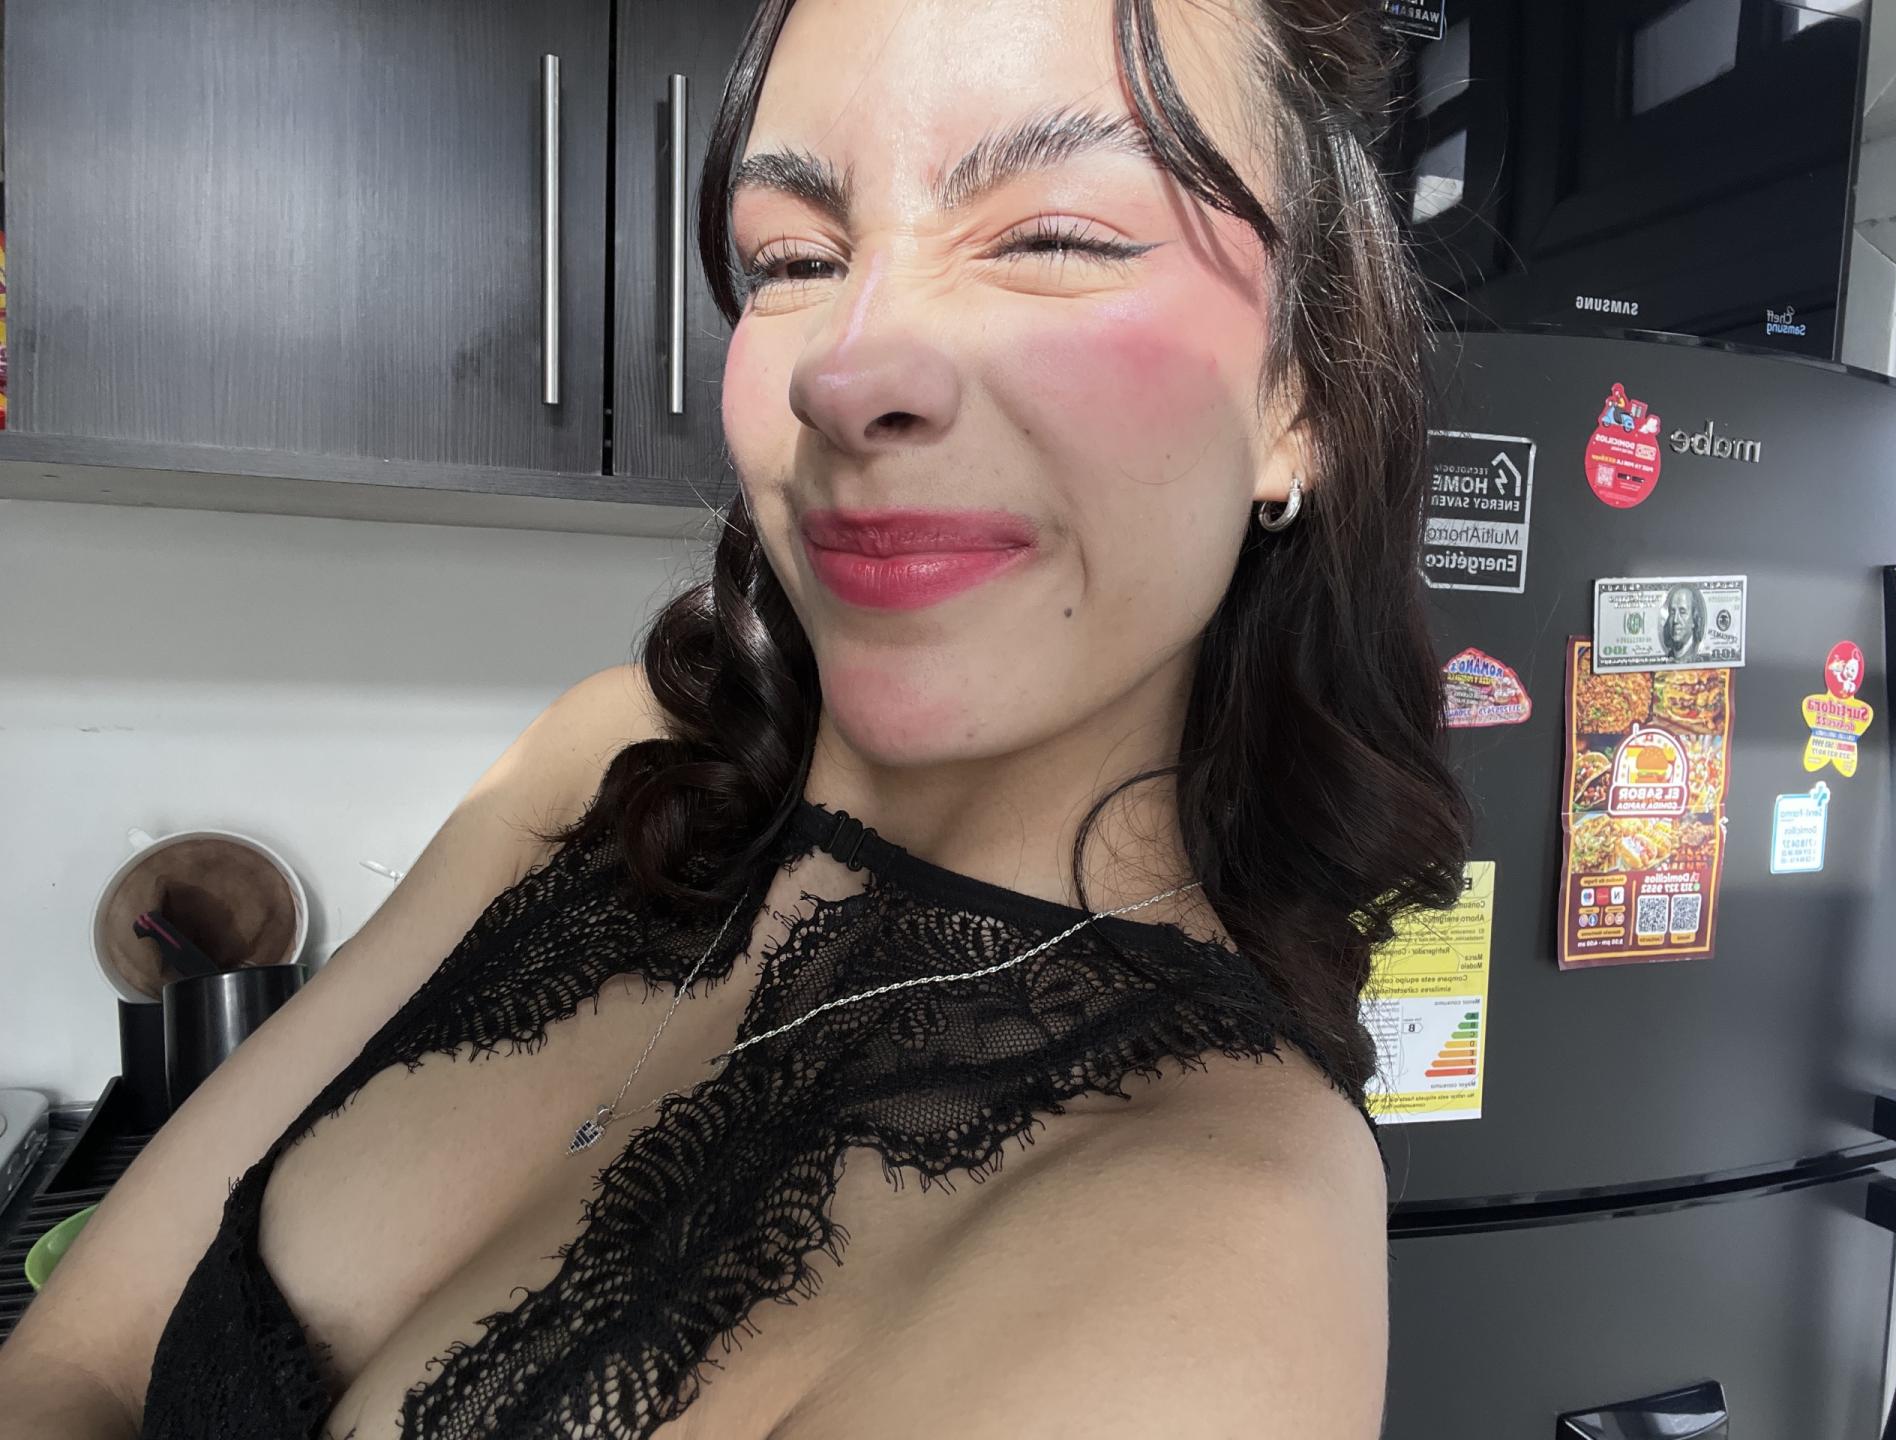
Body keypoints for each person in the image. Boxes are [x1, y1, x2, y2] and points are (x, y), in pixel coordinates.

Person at [0, 0, 1469, 1436]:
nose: (845, 369)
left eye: (1054, 238)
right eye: (794, 259)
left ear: (1300, 395)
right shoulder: (606, 769)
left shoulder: (1218, 1243)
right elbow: (87, 1349)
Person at [1661, 583, 1706, 662]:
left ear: (1694, 618)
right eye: (1672, 612)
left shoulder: (1699, 654)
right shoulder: (1668, 657)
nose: (1675, 620)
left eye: (1682, 612)